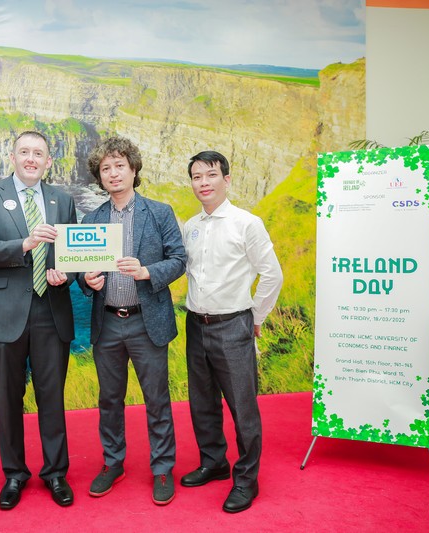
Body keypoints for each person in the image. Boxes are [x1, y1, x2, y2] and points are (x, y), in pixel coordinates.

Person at [0, 131, 77, 510]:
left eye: (39, 153)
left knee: (52, 397)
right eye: (25, 152)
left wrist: (65, 274)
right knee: (8, 398)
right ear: (12, 157)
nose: (31, 159)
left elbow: (71, 254)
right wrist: (25, 244)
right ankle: (14, 474)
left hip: (52, 312)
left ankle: (56, 473)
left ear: (49, 162)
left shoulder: (63, 200)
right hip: (3, 316)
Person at [79, 136, 186, 506]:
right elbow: (82, 271)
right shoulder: (92, 219)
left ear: (133, 169)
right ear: (99, 176)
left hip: (147, 322)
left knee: (157, 400)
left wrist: (147, 272)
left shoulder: (159, 213)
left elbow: (178, 260)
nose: (113, 173)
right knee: (109, 400)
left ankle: (162, 468)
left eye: (119, 166)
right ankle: (113, 463)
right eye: (105, 168)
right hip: (107, 323)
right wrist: (87, 280)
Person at [180, 150, 283, 513]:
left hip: (233, 324)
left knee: (242, 407)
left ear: (226, 179)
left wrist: (257, 316)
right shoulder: (190, 226)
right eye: (196, 177)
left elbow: (272, 275)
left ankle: (246, 479)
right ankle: (214, 462)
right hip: (196, 324)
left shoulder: (247, 223)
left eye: (210, 175)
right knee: (202, 402)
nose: (203, 183)